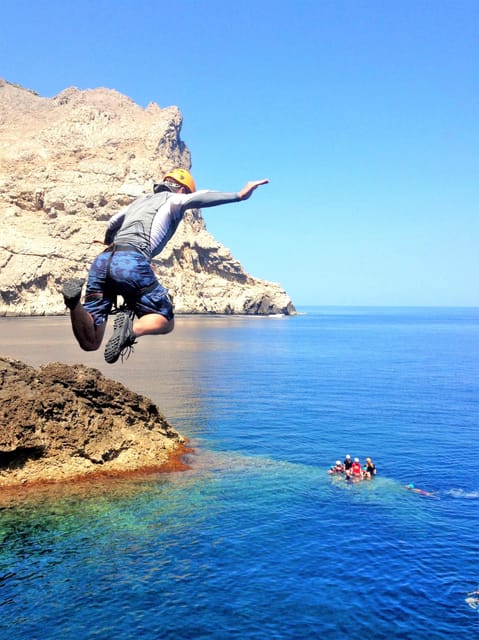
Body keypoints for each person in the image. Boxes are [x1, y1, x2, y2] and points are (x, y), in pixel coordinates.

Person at [62, 169, 269, 363]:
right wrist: (238, 195)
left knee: (91, 342)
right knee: (165, 319)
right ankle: (130, 329)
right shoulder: (174, 199)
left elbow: (111, 224)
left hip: (102, 260)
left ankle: (74, 303)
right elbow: (200, 197)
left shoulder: (138, 203)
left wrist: (110, 245)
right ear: (182, 188)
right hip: (131, 260)